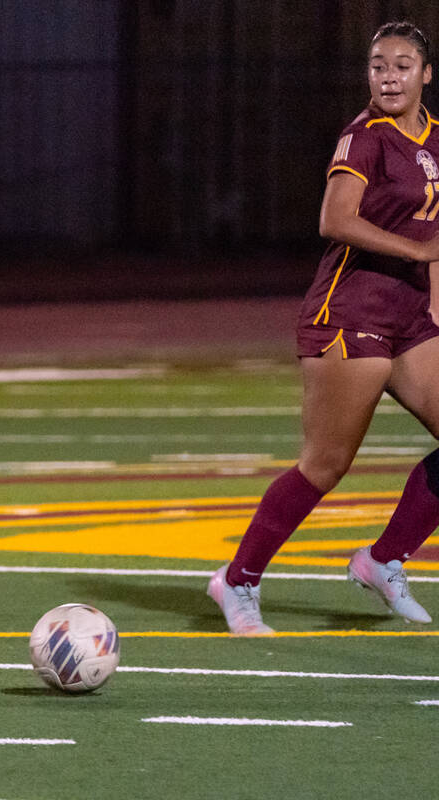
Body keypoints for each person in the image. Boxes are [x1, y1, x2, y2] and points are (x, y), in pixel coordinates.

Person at [208, 21, 439, 636]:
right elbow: (334, 220)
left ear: (426, 74)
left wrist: (434, 298)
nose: (388, 76)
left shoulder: (437, 140)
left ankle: (383, 560)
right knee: (326, 465)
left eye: (401, 65)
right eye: (377, 66)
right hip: (350, 314)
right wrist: (418, 258)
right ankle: (237, 581)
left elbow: (434, 234)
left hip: (411, 319)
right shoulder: (364, 137)